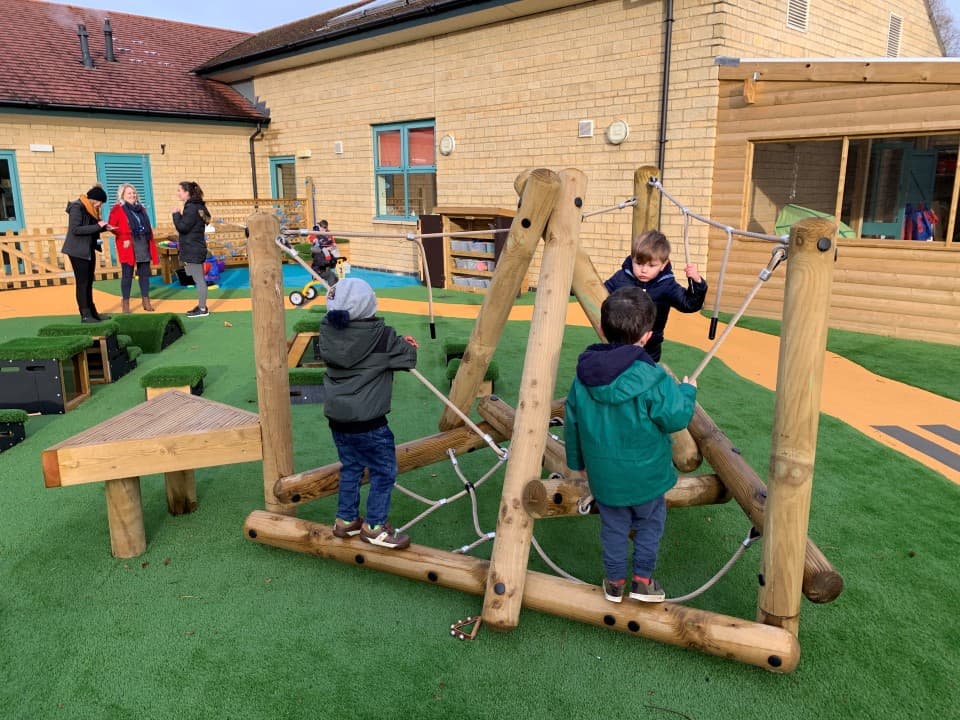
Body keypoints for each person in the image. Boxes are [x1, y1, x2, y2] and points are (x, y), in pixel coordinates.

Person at [564, 286, 697, 603]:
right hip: (648, 478)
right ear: (648, 336)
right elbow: (676, 418)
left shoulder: (582, 379)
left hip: (606, 480)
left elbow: (573, 424)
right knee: (650, 525)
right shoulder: (654, 377)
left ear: (600, 328)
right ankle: (642, 580)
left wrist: (576, 465)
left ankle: (614, 583)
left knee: (613, 527)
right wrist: (688, 392)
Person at [318, 278, 418, 550]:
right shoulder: (382, 335)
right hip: (369, 422)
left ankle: (346, 520)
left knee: (351, 467)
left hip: (338, 420)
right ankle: (374, 527)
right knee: (383, 471)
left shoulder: (326, 333)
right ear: (369, 305)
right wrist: (407, 344)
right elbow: (407, 358)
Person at [604, 230, 708, 363]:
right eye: (639, 263)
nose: (644, 270)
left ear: (663, 265)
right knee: (617, 372)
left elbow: (689, 304)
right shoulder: (622, 277)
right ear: (632, 258)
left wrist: (697, 282)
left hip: (650, 345)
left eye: (651, 265)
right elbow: (601, 291)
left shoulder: (666, 285)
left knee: (645, 376)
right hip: (619, 340)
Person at [61, 185, 112, 323]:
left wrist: (104, 228)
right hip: (77, 251)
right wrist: (98, 226)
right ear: (95, 199)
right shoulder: (77, 207)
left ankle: (93, 312)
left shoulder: (91, 209)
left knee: (89, 281)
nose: (101, 205)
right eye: (101, 202)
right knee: (82, 283)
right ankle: (85, 314)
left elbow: (91, 228)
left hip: (88, 249)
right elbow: (76, 229)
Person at [109, 183, 157, 313]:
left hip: (142, 242)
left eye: (134, 193)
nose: (132, 195)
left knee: (144, 274)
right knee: (127, 275)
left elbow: (147, 226)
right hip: (128, 245)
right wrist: (124, 236)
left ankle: (146, 301)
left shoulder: (141, 209)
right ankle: (125, 303)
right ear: (123, 195)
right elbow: (111, 226)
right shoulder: (118, 209)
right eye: (129, 193)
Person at [172, 181, 211, 318]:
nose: (178, 193)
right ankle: (201, 305)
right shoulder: (199, 206)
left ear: (187, 193)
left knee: (199, 279)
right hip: (196, 246)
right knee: (197, 278)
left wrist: (176, 214)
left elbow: (183, 227)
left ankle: (202, 308)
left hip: (193, 248)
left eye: (179, 190)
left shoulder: (191, 208)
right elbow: (206, 219)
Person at [309, 219, 339, 287]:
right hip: (319, 268)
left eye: (325, 228)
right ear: (320, 227)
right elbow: (313, 241)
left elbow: (333, 243)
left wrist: (332, 247)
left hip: (324, 258)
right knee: (331, 274)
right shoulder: (315, 234)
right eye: (322, 228)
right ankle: (332, 291)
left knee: (334, 276)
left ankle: (335, 288)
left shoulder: (328, 233)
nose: (324, 229)